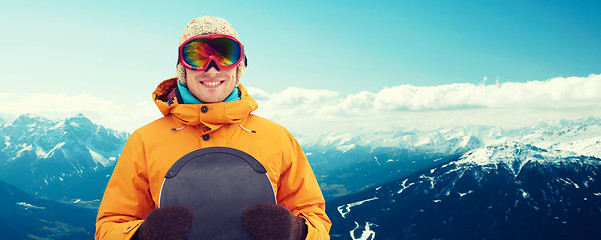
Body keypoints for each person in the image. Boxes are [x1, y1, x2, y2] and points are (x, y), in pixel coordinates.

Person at [95, 16, 331, 240]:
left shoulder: (277, 138)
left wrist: (296, 231)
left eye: (225, 55)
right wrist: (143, 235)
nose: (211, 68)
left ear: (239, 67)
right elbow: (109, 226)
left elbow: (316, 220)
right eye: (197, 56)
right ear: (182, 67)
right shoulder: (145, 141)